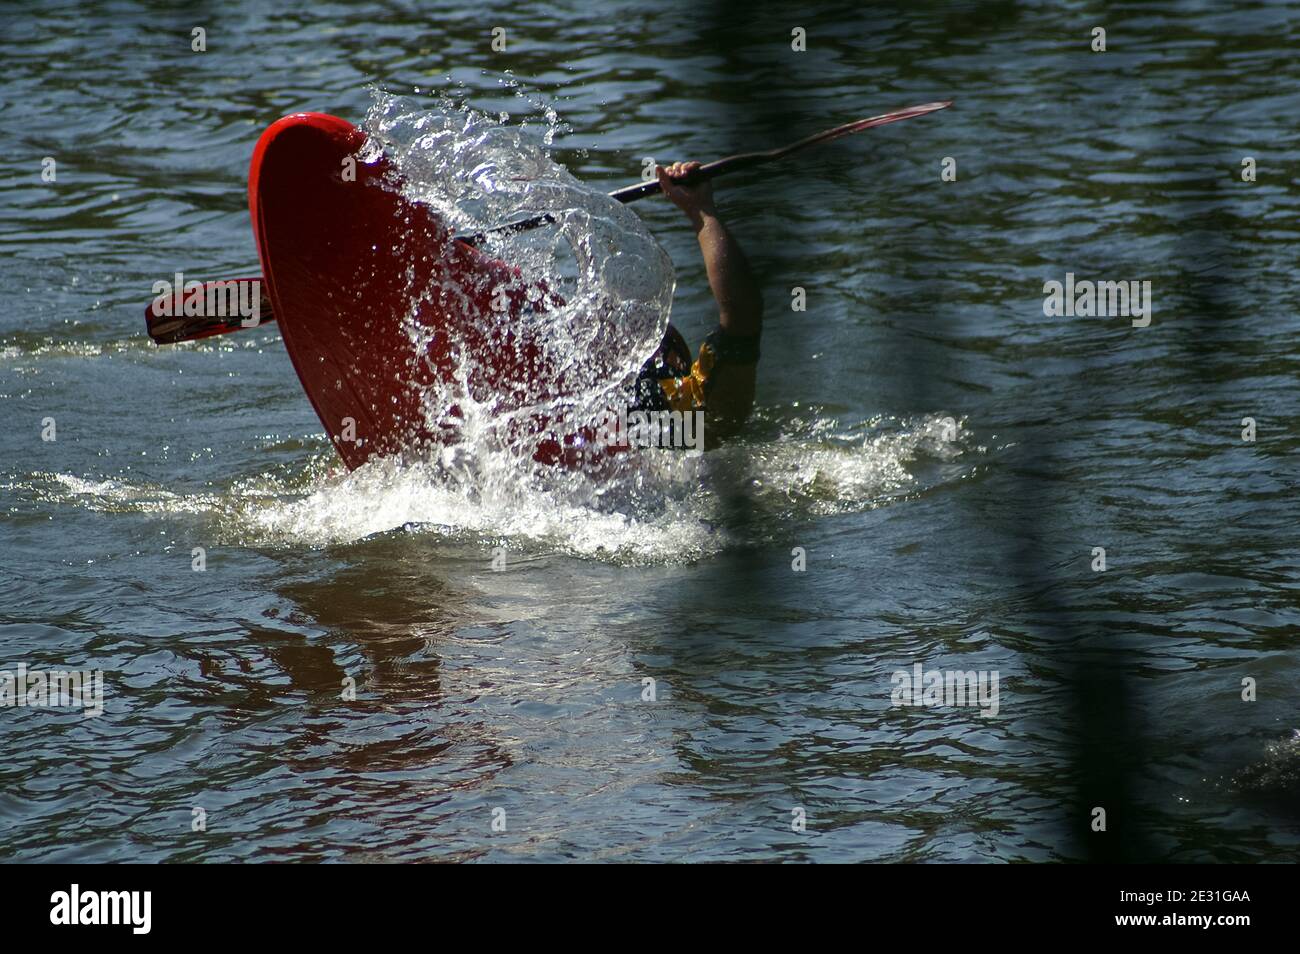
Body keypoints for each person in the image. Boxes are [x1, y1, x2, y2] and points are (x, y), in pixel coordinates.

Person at [629, 161, 764, 447]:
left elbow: (743, 314)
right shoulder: (690, 424)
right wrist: (701, 212)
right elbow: (743, 316)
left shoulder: (684, 424)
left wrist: (701, 212)